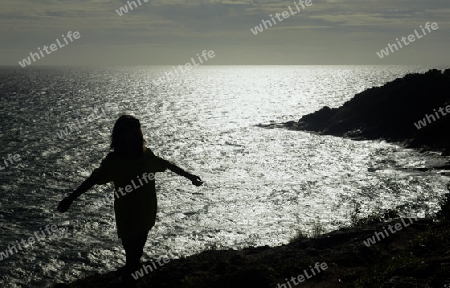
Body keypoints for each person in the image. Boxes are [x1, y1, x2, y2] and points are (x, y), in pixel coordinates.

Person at [57, 114, 203, 286]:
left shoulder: (146, 155)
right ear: (121, 133)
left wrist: (190, 176)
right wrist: (71, 198)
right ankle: (130, 281)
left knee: (135, 254)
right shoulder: (114, 161)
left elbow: (168, 165)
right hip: (127, 214)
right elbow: (93, 180)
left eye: (136, 129)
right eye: (131, 130)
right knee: (132, 255)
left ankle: (130, 281)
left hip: (146, 211)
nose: (135, 133)